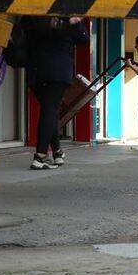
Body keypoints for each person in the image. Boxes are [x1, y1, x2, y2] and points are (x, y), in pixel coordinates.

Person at [22, 16, 89, 170]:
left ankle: (57, 153)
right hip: (57, 73)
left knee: (49, 112)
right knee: (50, 111)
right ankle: (40, 156)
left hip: (36, 71)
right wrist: (76, 23)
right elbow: (83, 40)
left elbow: (23, 33)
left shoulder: (33, 14)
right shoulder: (67, 18)